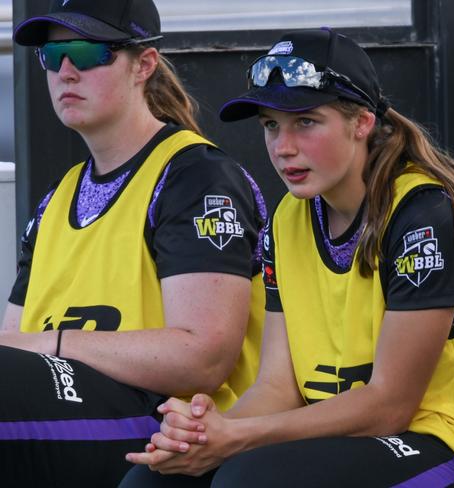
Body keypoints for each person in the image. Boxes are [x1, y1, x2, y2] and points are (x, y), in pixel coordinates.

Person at [121, 28, 454, 487]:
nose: (283, 147)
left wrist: (240, 437)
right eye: (270, 125)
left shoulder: (427, 215)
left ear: (360, 122)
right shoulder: (288, 218)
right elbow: (279, 387)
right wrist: (208, 435)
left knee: (249, 481)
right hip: (353, 434)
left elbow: (390, 406)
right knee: (160, 481)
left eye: (306, 122)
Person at [0, 1, 265, 486]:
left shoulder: (196, 177)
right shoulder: (57, 200)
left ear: (143, 64)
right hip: (67, 407)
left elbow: (202, 359)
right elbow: (13, 339)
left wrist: (54, 344)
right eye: (51, 54)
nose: (64, 70)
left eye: (85, 52)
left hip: (168, 424)